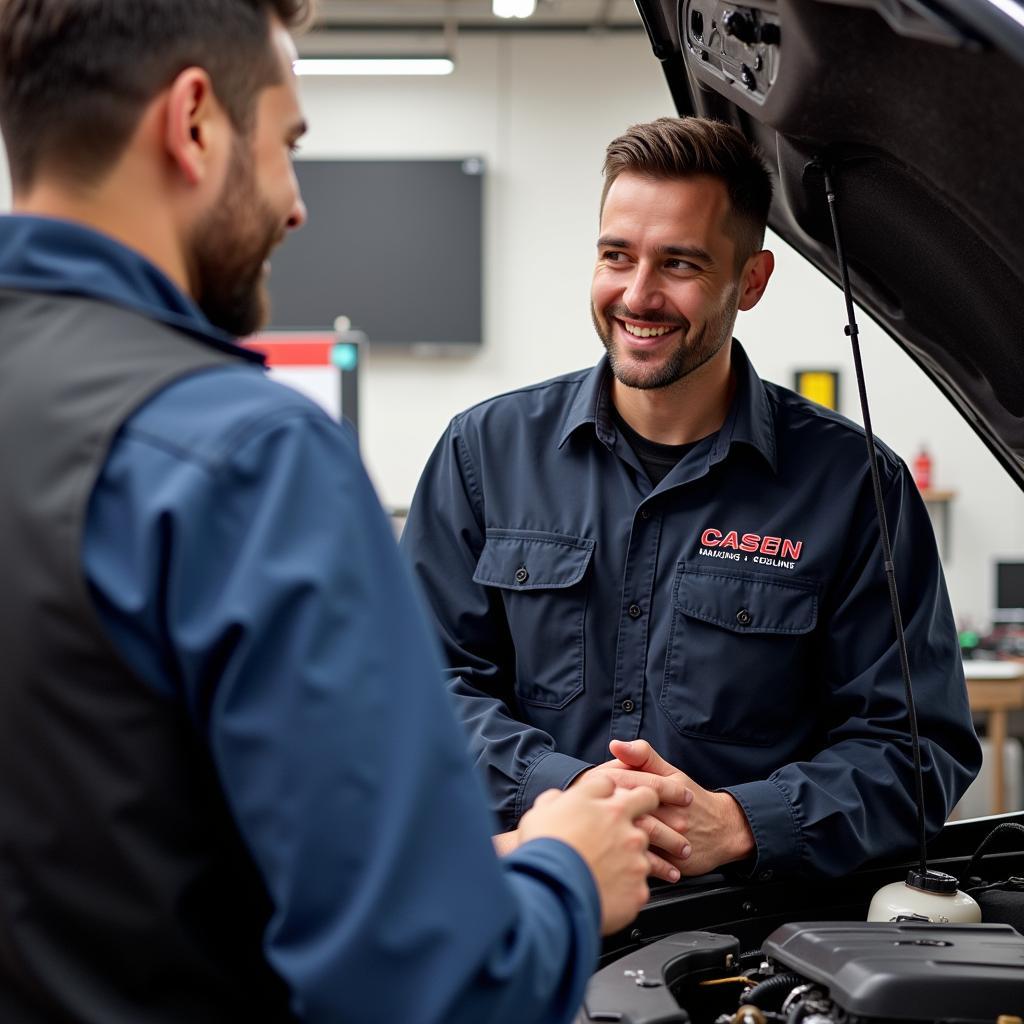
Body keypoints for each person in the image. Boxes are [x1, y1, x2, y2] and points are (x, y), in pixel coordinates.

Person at [0, 2, 662, 1021]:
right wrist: (565, 874)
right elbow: (429, 991)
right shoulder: (245, 458)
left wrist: (418, 873)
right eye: (288, 143)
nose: (295, 203)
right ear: (193, 124)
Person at [402, 116, 981, 883]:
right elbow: (416, 688)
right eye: (617, 256)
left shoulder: (853, 487)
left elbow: (917, 750)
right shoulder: (483, 456)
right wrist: (567, 791)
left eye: (679, 263)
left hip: (754, 945)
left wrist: (743, 822)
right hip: (527, 905)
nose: (637, 295)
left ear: (751, 280)